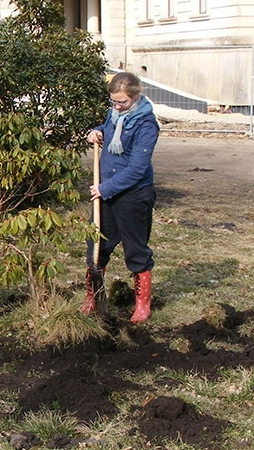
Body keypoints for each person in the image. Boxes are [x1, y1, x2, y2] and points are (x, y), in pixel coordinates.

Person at [82, 71, 159, 323]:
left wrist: (106, 188)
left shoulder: (146, 124)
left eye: (122, 102)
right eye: (113, 101)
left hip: (133, 195)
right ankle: (93, 298)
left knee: (135, 250)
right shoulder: (115, 114)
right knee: (97, 245)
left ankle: (142, 305)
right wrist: (98, 131)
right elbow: (108, 127)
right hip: (104, 192)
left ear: (135, 96)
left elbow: (137, 168)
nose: (116, 106)